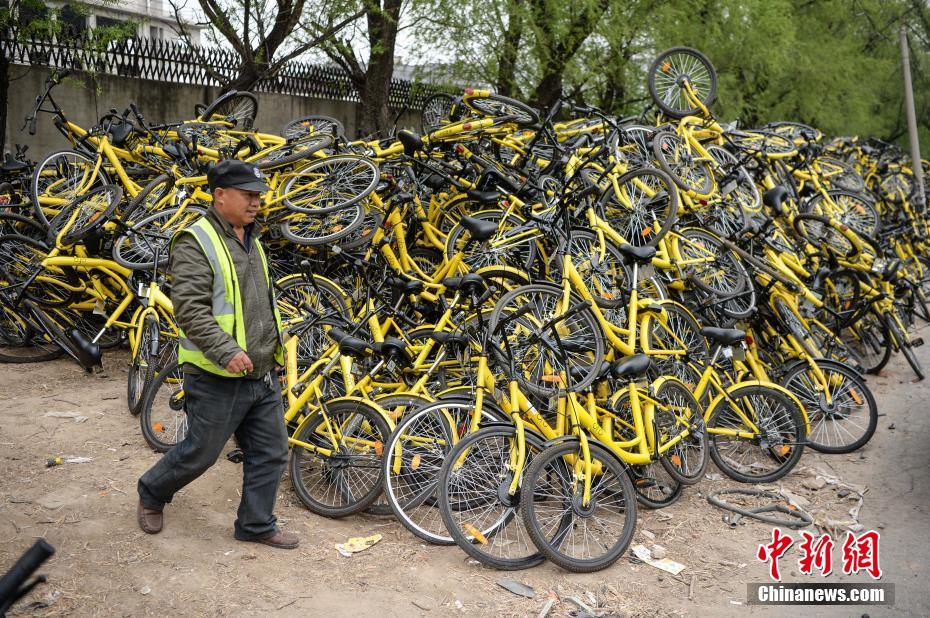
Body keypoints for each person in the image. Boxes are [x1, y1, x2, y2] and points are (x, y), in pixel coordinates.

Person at [136, 160, 298, 549]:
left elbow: (259, 304)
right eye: (247, 194)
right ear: (220, 195)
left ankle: (256, 524)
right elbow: (190, 308)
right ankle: (152, 492)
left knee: (272, 452)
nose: (255, 201)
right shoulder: (196, 240)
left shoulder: (252, 239)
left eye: (258, 194)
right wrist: (226, 351)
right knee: (200, 453)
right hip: (217, 374)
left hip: (259, 370)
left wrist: (274, 349)